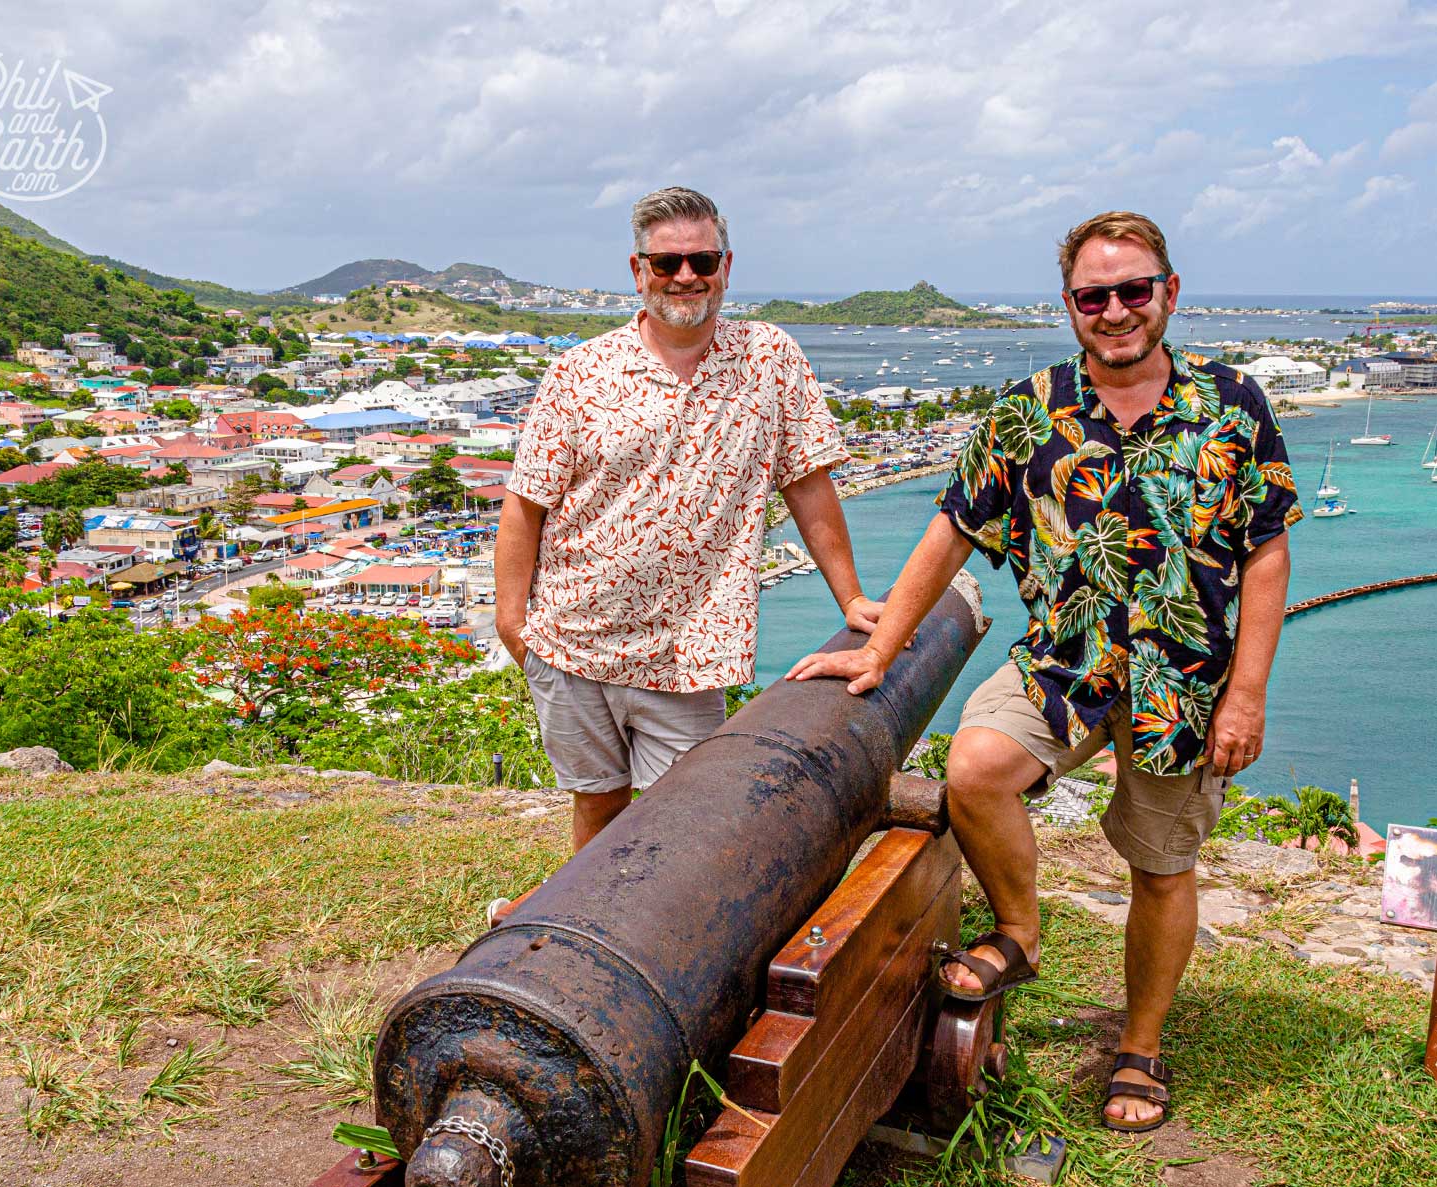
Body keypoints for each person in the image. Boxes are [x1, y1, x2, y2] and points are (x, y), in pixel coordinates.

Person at [785, 210, 1299, 1132]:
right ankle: (1020, 931)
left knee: (1161, 865)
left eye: (1133, 290)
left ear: (1169, 294)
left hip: (1180, 682)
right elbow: (951, 528)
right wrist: (880, 647)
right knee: (976, 768)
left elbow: (1266, 552)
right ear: (1069, 306)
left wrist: (1248, 692)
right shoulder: (1029, 411)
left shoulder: (1232, 406)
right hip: (1063, 663)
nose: (1115, 311)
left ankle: (1139, 1046)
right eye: (1094, 296)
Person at [496, 185, 881, 857]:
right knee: (597, 799)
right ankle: (588, 931)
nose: (685, 277)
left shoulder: (768, 360)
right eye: (667, 262)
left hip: (688, 651)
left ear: (726, 267)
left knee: (693, 816)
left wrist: (849, 598)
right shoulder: (580, 374)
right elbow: (525, 505)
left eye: (701, 262)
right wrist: (512, 622)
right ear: (637, 269)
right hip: (572, 637)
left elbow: (808, 485)